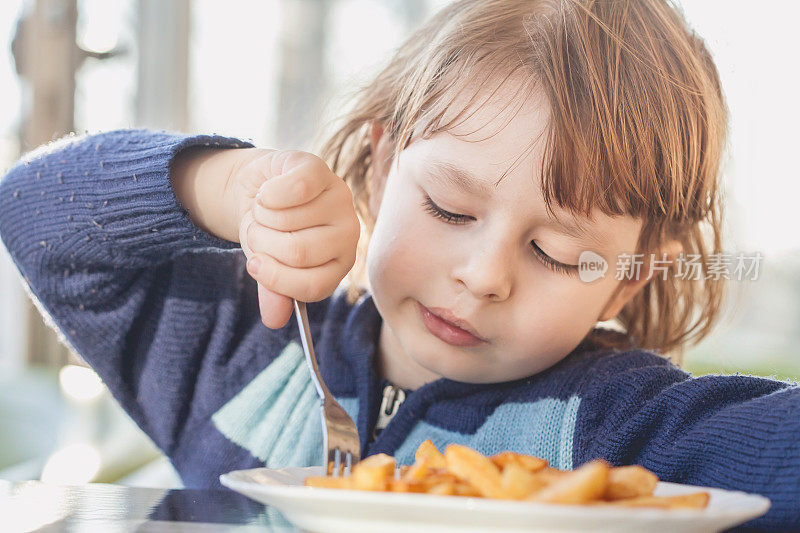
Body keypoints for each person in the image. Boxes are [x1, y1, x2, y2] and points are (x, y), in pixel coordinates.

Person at [0, 0, 796, 529]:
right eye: (450, 209)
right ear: (380, 169)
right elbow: (33, 212)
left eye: (556, 253)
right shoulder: (246, 351)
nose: (484, 275)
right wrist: (225, 187)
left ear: (627, 277)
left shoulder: (619, 427)